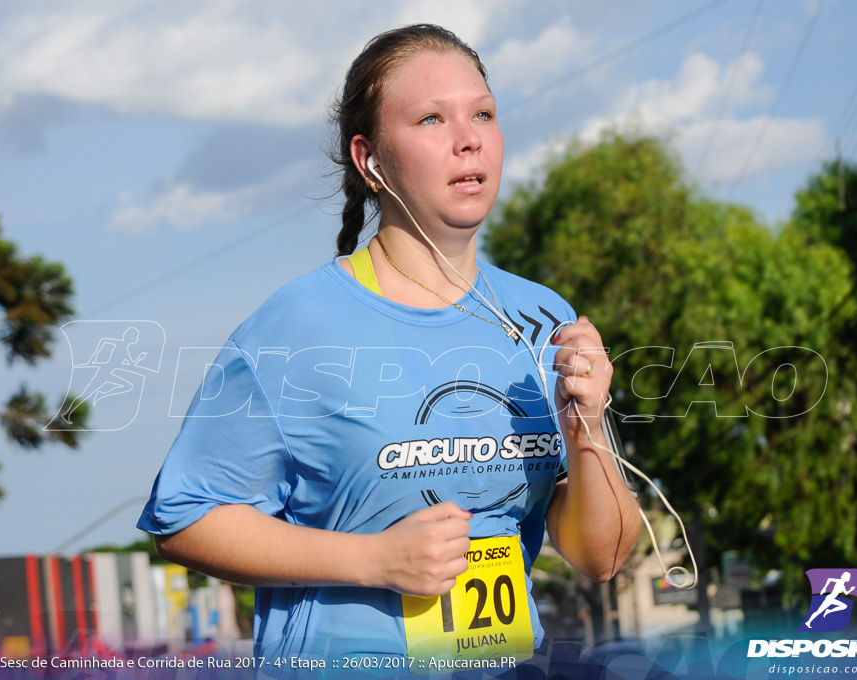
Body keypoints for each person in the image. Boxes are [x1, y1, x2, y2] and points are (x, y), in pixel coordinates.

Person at [137, 23, 640, 676]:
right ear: (369, 159)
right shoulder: (298, 325)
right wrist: (373, 562)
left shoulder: (543, 318)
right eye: (432, 118)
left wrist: (587, 427)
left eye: (483, 113)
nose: (469, 138)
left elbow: (601, 557)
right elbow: (183, 519)